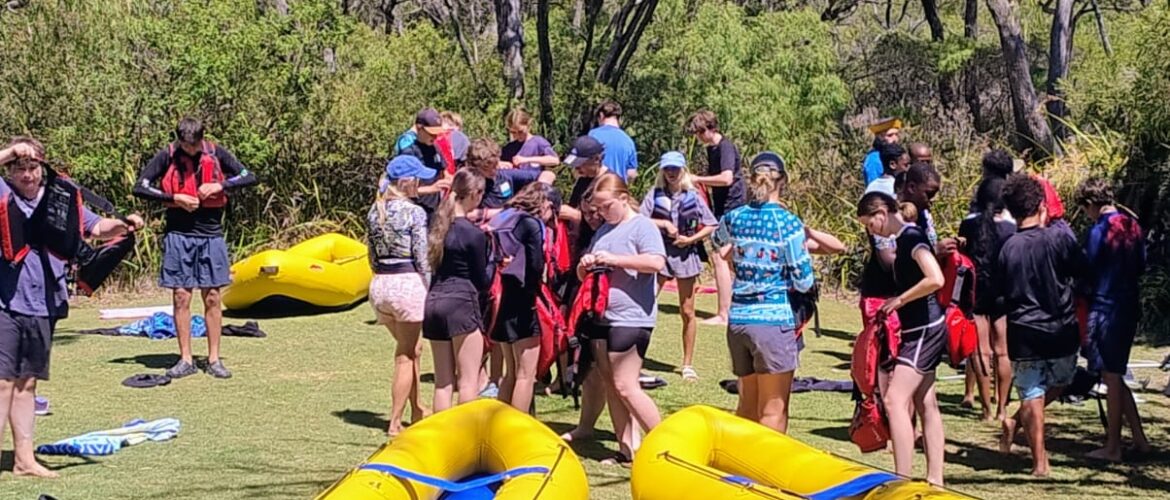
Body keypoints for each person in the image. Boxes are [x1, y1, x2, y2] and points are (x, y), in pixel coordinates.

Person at [2, 137, 144, 478]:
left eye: (33, 166)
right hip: (5, 300)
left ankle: (24, 460)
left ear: (43, 169)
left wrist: (124, 225)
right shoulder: (2, 194)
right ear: (9, 171)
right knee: (2, 381)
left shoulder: (60, 200)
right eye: (19, 168)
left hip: (44, 303)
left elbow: (95, 227)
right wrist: (10, 151)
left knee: (26, 384)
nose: (27, 174)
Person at [133, 117, 257, 379]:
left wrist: (220, 185)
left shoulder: (216, 152)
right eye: (186, 146)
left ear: (202, 139)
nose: (191, 150)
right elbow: (140, 187)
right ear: (179, 139)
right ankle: (185, 359)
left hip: (211, 234)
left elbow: (249, 176)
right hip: (178, 234)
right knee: (181, 296)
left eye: (195, 146)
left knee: (212, 296)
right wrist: (173, 198)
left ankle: (214, 359)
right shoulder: (166, 155)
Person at [713, 152, 814, 433]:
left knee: (746, 406)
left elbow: (717, 241)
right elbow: (804, 280)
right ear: (783, 180)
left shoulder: (735, 217)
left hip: (739, 320)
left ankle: (738, 470)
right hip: (773, 321)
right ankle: (764, 474)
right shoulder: (789, 223)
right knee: (774, 410)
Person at [995, 173, 1086, 477]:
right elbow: (1083, 271)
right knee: (1057, 383)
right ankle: (1039, 461)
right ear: (1041, 205)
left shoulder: (1008, 248)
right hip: (1061, 328)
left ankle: (1019, 426)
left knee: (1032, 393)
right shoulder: (1059, 238)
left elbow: (999, 293)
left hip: (1023, 330)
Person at [856, 190, 947, 486]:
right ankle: (935, 478)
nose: (872, 231)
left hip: (925, 328)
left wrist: (900, 300)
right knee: (925, 401)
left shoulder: (911, 238)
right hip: (918, 328)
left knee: (895, 400)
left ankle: (901, 479)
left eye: (870, 225)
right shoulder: (904, 239)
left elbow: (935, 278)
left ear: (881, 214)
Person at [577, 173, 666, 464]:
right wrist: (586, 265)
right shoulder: (604, 231)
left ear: (624, 199)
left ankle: (667, 444)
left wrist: (614, 260)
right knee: (611, 383)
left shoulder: (642, 226)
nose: (601, 213)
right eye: (598, 208)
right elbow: (584, 275)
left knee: (627, 384)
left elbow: (656, 262)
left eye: (605, 206)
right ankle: (626, 449)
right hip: (602, 316)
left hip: (632, 318)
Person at [1076, 178, 1150, 462]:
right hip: (1128, 303)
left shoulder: (1099, 230)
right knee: (1115, 373)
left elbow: (1088, 267)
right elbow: (1141, 263)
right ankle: (1140, 440)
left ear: (1090, 205)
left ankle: (1113, 446)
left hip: (1106, 306)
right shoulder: (1132, 225)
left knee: (1111, 375)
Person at [366, 155, 435, 436]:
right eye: (418, 178)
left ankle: (417, 408)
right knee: (405, 355)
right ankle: (395, 422)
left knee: (413, 349)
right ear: (407, 182)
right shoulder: (414, 213)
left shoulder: (375, 210)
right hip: (406, 285)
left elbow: (371, 256)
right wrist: (431, 286)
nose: (421, 183)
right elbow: (422, 256)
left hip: (380, 285)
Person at [639, 152, 718, 381]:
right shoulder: (654, 194)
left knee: (687, 311)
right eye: (667, 169)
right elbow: (639, 218)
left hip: (686, 256)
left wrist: (691, 240)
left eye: (675, 169)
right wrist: (663, 223)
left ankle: (687, 364)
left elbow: (711, 224)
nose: (671, 173)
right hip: (660, 254)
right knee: (645, 306)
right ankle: (637, 357)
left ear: (682, 170)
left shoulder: (693, 196)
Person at [425, 169, 489, 412]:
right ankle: (466, 436)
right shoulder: (474, 234)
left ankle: (443, 437)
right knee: (468, 380)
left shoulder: (438, 226)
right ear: (474, 194)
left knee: (443, 382)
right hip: (461, 303)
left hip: (434, 302)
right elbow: (481, 279)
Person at [957, 176, 1015, 422]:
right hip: (1003, 293)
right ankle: (1002, 408)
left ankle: (986, 411)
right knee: (1003, 352)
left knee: (981, 351)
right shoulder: (1011, 229)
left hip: (976, 293)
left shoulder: (969, 226)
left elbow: (960, 258)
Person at [490, 184, 551, 413]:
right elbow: (535, 262)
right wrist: (538, 286)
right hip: (524, 296)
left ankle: (502, 422)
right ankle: (519, 425)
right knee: (527, 374)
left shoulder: (505, 218)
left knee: (511, 371)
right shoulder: (530, 223)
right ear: (542, 203)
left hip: (505, 292)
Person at [687, 110, 746, 326]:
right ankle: (734, 308)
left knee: (720, 256)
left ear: (709, 128)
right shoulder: (712, 149)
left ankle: (724, 314)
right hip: (721, 207)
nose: (698, 138)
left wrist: (698, 179)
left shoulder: (725, 147)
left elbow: (727, 178)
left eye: (700, 133)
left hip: (733, 207)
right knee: (729, 260)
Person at [465, 138, 555, 217]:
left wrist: (536, 195)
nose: (493, 170)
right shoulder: (467, 182)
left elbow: (548, 174)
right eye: (486, 168)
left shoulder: (505, 176)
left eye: (495, 164)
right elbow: (465, 213)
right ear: (474, 166)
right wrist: (506, 212)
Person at [396, 108, 455, 224]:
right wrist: (432, 189)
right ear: (419, 128)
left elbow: (445, 172)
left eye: (437, 133)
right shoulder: (409, 152)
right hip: (415, 213)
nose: (435, 137)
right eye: (431, 133)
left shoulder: (435, 148)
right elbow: (401, 190)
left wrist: (450, 181)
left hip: (434, 210)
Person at [561, 136, 608, 224]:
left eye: (580, 164)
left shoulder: (609, 183)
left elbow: (609, 221)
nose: (577, 169)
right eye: (574, 165)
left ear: (596, 159)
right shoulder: (583, 179)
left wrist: (576, 216)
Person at [588, 100, 638, 182]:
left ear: (601, 116)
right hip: (618, 190)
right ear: (619, 118)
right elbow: (631, 173)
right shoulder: (628, 141)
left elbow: (585, 163)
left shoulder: (593, 135)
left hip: (597, 188)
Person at [862, 117, 902, 186]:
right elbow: (874, 188)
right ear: (880, 137)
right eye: (890, 135)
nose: (895, 139)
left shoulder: (900, 156)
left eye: (896, 134)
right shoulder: (873, 159)